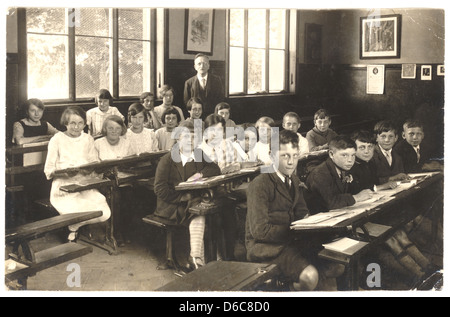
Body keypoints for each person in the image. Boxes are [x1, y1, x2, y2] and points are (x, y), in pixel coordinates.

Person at [245, 129, 345, 291]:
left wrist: (317, 223)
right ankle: (286, 288)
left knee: (336, 265)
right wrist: (295, 231)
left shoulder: (293, 179)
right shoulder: (260, 184)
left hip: (293, 241)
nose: (291, 162)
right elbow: (259, 231)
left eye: (295, 155)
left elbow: (302, 214)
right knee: (310, 276)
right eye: (285, 156)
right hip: (268, 247)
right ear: (271, 156)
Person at [153, 120, 221, 269]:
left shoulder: (198, 153)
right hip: (171, 204)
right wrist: (182, 197)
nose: (189, 140)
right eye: (185, 137)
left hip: (192, 202)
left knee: (202, 209)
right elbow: (159, 189)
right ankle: (197, 257)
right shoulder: (168, 159)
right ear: (178, 139)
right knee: (199, 209)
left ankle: (198, 257)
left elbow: (215, 169)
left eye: (193, 137)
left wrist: (199, 175)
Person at [44, 106, 111, 242]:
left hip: (84, 183)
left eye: (80, 123)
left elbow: (94, 161)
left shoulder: (88, 139)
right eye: (73, 123)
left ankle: (73, 227)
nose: (76, 127)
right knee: (77, 209)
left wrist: (89, 168)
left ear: (85, 123)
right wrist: (64, 173)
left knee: (104, 211)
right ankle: (73, 230)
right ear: (66, 123)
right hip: (63, 186)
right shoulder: (57, 139)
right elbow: (48, 169)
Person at [305, 135, 373, 214]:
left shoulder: (344, 167)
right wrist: (356, 197)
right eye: (344, 155)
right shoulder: (320, 174)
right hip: (320, 219)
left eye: (353, 155)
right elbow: (330, 203)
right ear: (331, 154)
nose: (350, 160)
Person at [349, 130, 398, 195]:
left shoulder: (371, 163)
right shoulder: (350, 166)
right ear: (353, 149)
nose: (367, 151)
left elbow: (374, 183)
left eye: (370, 147)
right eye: (362, 147)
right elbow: (356, 190)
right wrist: (383, 186)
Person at [371, 120, 409, 184]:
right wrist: (392, 178)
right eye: (383, 136)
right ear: (376, 138)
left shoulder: (397, 156)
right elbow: (370, 181)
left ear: (396, 138)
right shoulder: (371, 155)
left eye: (391, 136)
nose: (387, 140)